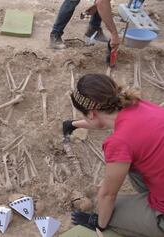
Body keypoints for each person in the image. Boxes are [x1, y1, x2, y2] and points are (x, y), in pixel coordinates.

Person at [63, 74, 164, 237]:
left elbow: (108, 195)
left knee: (109, 207)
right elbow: (110, 121)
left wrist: (99, 223)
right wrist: (73, 125)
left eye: (83, 115)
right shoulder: (139, 105)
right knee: (135, 164)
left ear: (90, 113)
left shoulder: (119, 143)